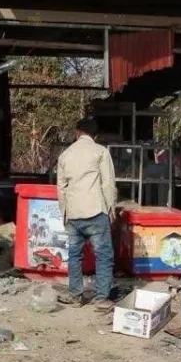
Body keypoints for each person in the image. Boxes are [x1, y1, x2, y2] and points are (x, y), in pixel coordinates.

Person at [56, 117, 117, 308]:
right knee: (103, 255)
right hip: (96, 212)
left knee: (74, 256)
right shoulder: (100, 152)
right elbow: (108, 184)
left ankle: (75, 296)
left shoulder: (65, 154)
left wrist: (64, 212)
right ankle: (101, 298)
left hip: (73, 213)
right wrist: (111, 209)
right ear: (95, 135)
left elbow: (61, 188)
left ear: (77, 133)